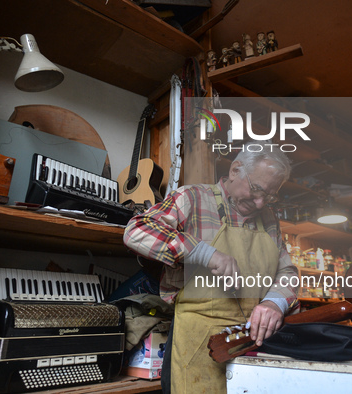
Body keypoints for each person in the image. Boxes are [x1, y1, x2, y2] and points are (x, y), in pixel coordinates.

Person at [123, 143, 299, 393]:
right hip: (196, 341)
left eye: (270, 196)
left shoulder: (269, 220)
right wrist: (205, 253)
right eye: (257, 189)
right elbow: (136, 230)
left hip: (251, 340)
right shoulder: (192, 197)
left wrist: (274, 303)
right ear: (236, 169)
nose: (261, 203)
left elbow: (288, 273)